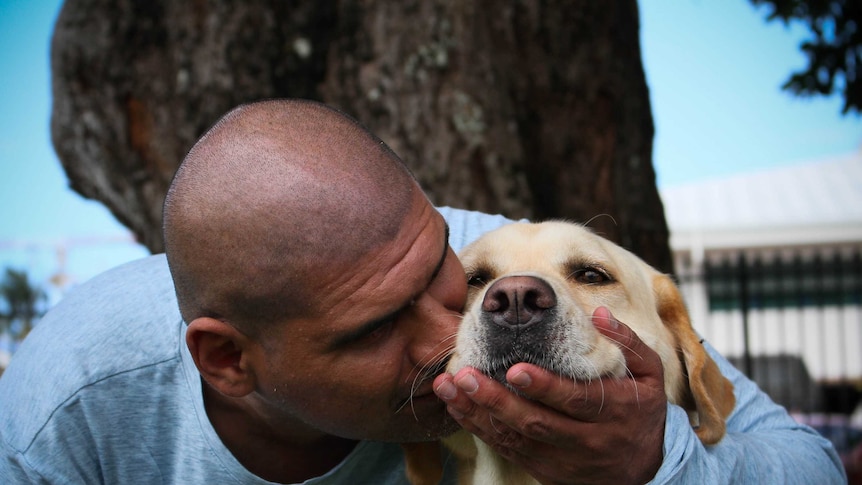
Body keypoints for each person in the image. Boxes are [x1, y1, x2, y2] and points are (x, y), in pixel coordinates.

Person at [0, 99, 845, 484]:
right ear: (229, 360)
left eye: (448, 270)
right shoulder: (69, 416)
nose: (462, 330)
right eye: (372, 328)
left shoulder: (498, 260)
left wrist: (658, 462)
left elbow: (808, 462)